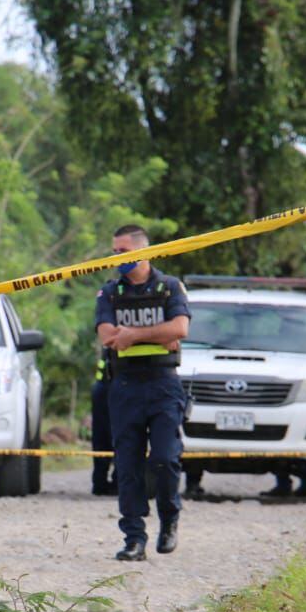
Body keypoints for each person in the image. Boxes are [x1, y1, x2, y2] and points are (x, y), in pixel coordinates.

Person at [95, 224, 190, 561]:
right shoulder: (110, 292)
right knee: (128, 465)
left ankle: (169, 518)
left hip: (163, 384)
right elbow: (108, 336)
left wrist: (133, 335)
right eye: (114, 251)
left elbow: (180, 328)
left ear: (143, 252)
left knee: (165, 458)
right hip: (125, 386)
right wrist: (159, 334)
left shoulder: (169, 287)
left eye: (123, 251)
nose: (116, 257)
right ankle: (134, 538)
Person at [89, 347, 117, 496]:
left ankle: (100, 483)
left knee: (101, 438)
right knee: (121, 437)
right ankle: (114, 482)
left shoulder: (108, 345)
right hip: (115, 389)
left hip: (102, 388)